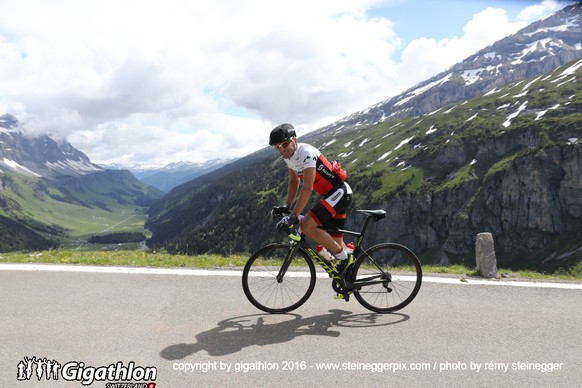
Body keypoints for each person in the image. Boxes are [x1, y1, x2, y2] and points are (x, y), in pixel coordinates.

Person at [269, 123, 354, 279]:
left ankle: (345, 258)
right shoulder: (289, 157)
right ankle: (348, 281)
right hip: (332, 196)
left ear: (294, 139)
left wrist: (294, 215)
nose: (282, 150)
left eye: (285, 144)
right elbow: (294, 181)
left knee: (306, 225)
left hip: (339, 192)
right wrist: (286, 206)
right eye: (277, 147)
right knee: (335, 243)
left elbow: (307, 188)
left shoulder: (306, 153)